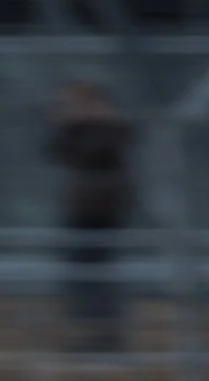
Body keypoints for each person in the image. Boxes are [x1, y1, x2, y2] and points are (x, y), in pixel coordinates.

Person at [48, 80, 134, 353]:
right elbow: (56, 152)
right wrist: (66, 126)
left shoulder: (110, 129)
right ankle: (87, 332)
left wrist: (74, 124)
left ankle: (105, 336)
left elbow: (94, 152)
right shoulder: (83, 131)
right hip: (83, 209)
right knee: (81, 273)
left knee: (98, 273)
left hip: (102, 210)